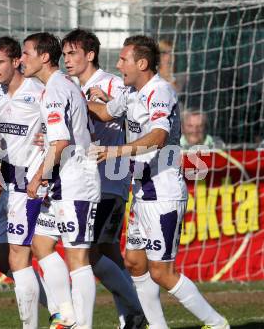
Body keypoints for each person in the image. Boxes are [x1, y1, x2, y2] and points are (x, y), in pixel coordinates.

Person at [88, 35, 229, 329]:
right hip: (142, 194)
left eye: (123, 59)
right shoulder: (130, 93)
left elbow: (159, 135)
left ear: (141, 63)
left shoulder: (159, 90)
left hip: (163, 193)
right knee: (135, 263)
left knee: (162, 272)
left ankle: (217, 324)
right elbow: (103, 111)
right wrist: (74, 96)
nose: (118, 64)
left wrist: (117, 151)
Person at [0, 36, 60, 329]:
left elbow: (65, 125)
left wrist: (50, 139)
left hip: (33, 186)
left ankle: (58, 315)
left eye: (0, 62)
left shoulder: (39, 92)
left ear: (16, 61)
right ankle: (60, 310)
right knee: (0, 258)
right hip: (9, 186)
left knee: (23, 256)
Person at [60, 28, 146, 329]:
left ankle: (136, 310)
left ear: (90, 54)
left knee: (91, 251)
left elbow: (132, 116)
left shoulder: (110, 82)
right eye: (65, 54)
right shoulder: (69, 86)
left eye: (73, 53)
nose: (67, 60)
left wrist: (102, 104)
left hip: (110, 179)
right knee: (105, 250)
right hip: (82, 181)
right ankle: (131, 316)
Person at [21, 32, 100, 329]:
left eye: (26, 53)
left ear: (43, 57)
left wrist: (39, 175)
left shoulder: (55, 89)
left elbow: (62, 142)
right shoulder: (64, 85)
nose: (21, 60)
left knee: (78, 256)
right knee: (41, 244)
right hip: (64, 182)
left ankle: (83, 325)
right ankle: (66, 316)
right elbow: (80, 134)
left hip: (76, 182)